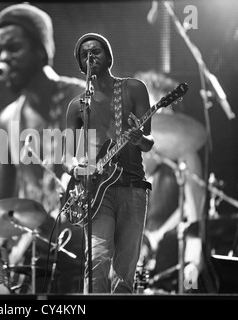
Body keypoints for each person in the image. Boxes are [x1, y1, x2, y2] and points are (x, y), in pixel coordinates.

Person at [0, 3, 85, 294]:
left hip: (81, 255)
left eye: (13, 48)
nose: (2, 60)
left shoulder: (81, 100)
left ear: (41, 49)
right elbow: (0, 206)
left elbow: (100, 181)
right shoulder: (5, 121)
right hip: (29, 263)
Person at [62, 33, 154, 294]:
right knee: (97, 262)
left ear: (109, 57)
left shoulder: (134, 88)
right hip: (97, 194)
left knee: (124, 272)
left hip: (133, 187)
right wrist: (77, 168)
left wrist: (139, 138)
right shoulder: (77, 106)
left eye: (96, 52)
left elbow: (147, 143)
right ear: (81, 65)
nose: (90, 57)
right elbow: (67, 155)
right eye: (85, 54)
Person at [134, 70, 206, 293]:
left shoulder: (186, 157)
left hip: (172, 260)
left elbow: (195, 226)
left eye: (166, 116)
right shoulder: (129, 157)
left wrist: (192, 270)